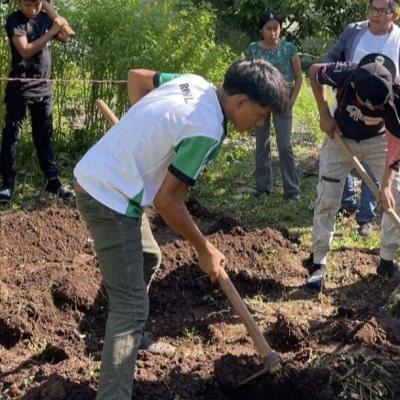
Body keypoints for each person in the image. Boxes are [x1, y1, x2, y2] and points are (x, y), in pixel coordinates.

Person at [73, 60, 289, 399]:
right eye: (261, 115)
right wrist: (204, 248)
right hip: (107, 196)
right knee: (130, 308)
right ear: (240, 102)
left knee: (148, 255)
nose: (260, 124)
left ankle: (133, 338)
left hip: (109, 180)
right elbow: (168, 202)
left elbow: (137, 78)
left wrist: (147, 138)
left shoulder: (196, 82)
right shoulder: (208, 131)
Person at [307, 53, 400, 292]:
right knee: (328, 196)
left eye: (377, 105)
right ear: (354, 86)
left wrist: (385, 185)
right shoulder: (344, 72)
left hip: (380, 142)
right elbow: (314, 72)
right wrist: (324, 114)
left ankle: (387, 261)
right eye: (368, 103)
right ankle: (318, 261)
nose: (373, 108)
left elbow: (398, 144)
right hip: (340, 136)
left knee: (398, 196)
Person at [325, 0, 400, 236]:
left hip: (383, 119)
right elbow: (325, 64)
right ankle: (345, 206)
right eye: (373, 9)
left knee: (382, 177)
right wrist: (326, 111)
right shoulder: (353, 32)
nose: (376, 15)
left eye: (383, 10)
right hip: (348, 113)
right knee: (338, 168)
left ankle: (366, 216)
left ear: (394, 14)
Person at [0, 0, 73, 205]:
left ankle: (52, 180)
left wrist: (56, 20)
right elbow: (25, 50)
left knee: (44, 136)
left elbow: (66, 38)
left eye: (37, 5)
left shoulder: (44, 18)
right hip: (21, 88)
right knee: (12, 135)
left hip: (44, 88)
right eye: (27, 5)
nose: (32, 10)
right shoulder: (15, 20)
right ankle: (7, 183)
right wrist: (50, 32)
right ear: (18, 2)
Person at [245, 12, 302, 199]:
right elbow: (247, 76)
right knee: (262, 144)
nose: (272, 33)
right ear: (261, 30)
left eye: (275, 28)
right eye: (268, 29)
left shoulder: (289, 49)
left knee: (284, 145)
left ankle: (292, 190)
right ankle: (263, 188)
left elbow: (299, 78)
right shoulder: (253, 49)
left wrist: (291, 102)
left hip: (283, 100)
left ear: (281, 29)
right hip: (260, 101)